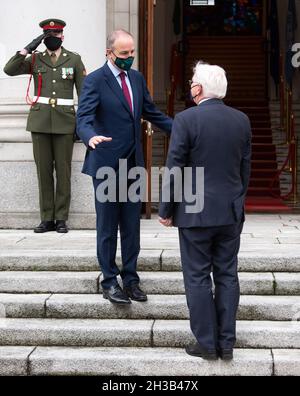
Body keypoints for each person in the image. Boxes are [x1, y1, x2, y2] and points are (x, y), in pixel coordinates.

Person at [159, 62, 252, 361]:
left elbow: (175, 169)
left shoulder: (186, 120)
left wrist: (166, 210)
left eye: (191, 82)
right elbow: (244, 170)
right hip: (229, 211)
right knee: (227, 275)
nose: (189, 85)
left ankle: (207, 343)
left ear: (197, 89)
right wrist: (236, 200)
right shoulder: (242, 120)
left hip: (195, 213)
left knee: (197, 277)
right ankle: (226, 344)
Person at [77, 29, 172, 305]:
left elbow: (151, 113)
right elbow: (83, 118)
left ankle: (131, 279)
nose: (130, 58)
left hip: (133, 165)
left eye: (132, 53)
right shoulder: (95, 80)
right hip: (105, 163)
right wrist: (89, 136)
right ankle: (109, 281)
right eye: (124, 54)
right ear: (109, 53)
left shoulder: (137, 78)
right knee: (107, 226)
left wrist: (184, 129)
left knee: (131, 226)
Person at [3, 19, 86, 234]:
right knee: (44, 171)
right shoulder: (35, 59)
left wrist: (81, 124)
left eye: (55, 34)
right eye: (47, 34)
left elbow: (84, 95)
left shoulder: (74, 60)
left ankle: (61, 219)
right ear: (43, 37)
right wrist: (28, 48)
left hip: (65, 122)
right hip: (40, 122)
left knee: (64, 171)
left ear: (62, 36)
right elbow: (9, 69)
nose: (52, 37)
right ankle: (46, 218)